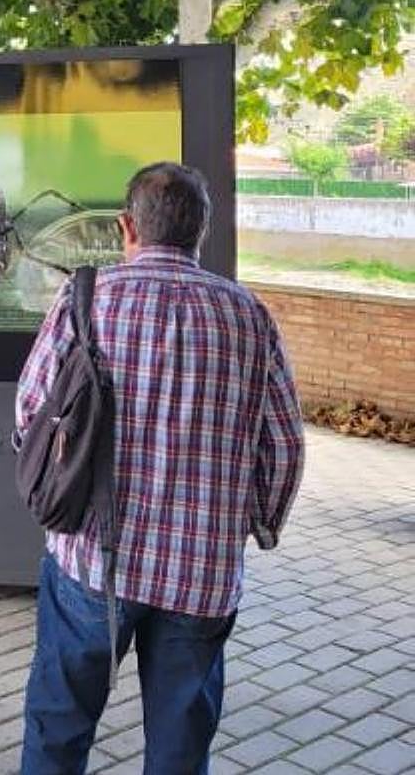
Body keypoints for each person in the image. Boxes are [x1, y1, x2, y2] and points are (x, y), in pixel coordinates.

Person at [16, 162, 305, 775]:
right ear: (200, 232)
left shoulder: (87, 298)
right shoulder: (250, 316)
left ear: (128, 226)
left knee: (58, 726)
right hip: (201, 574)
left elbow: (30, 412)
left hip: (93, 561)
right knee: (180, 746)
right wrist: (258, 524)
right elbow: (283, 446)